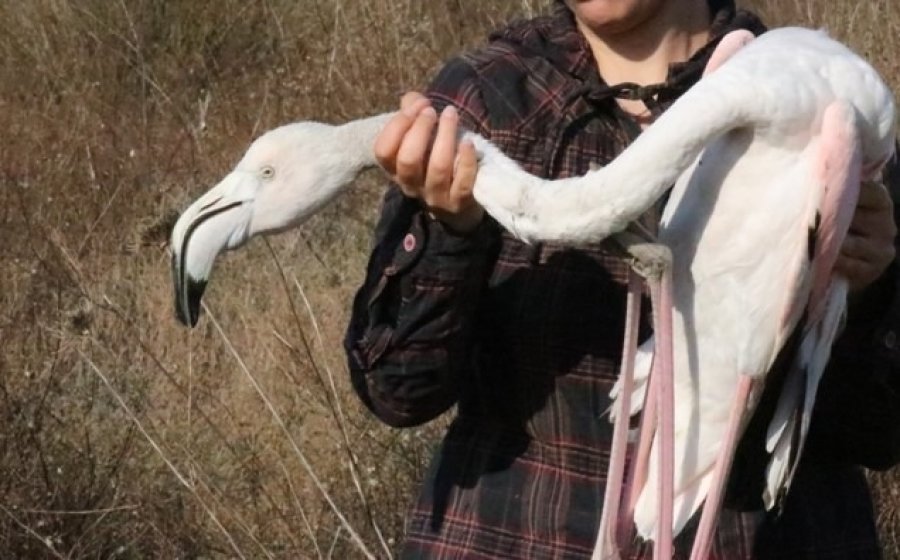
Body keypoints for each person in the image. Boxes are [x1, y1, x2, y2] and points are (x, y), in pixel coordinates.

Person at [344, 0, 900, 557]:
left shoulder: (831, 101)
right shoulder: (488, 99)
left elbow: (878, 432)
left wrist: (866, 288)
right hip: (515, 533)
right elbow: (398, 392)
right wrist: (452, 231)